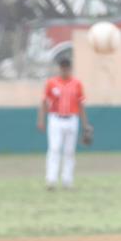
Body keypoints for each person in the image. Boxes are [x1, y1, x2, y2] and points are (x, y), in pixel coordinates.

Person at [39, 51, 91, 190]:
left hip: (72, 119)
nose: (64, 69)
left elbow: (81, 104)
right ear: (59, 67)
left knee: (69, 151)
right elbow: (44, 102)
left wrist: (85, 124)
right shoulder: (52, 83)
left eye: (67, 66)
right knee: (54, 149)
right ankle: (51, 180)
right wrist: (41, 120)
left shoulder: (76, 84)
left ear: (70, 68)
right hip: (55, 119)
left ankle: (67, 181)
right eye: (62, 66)